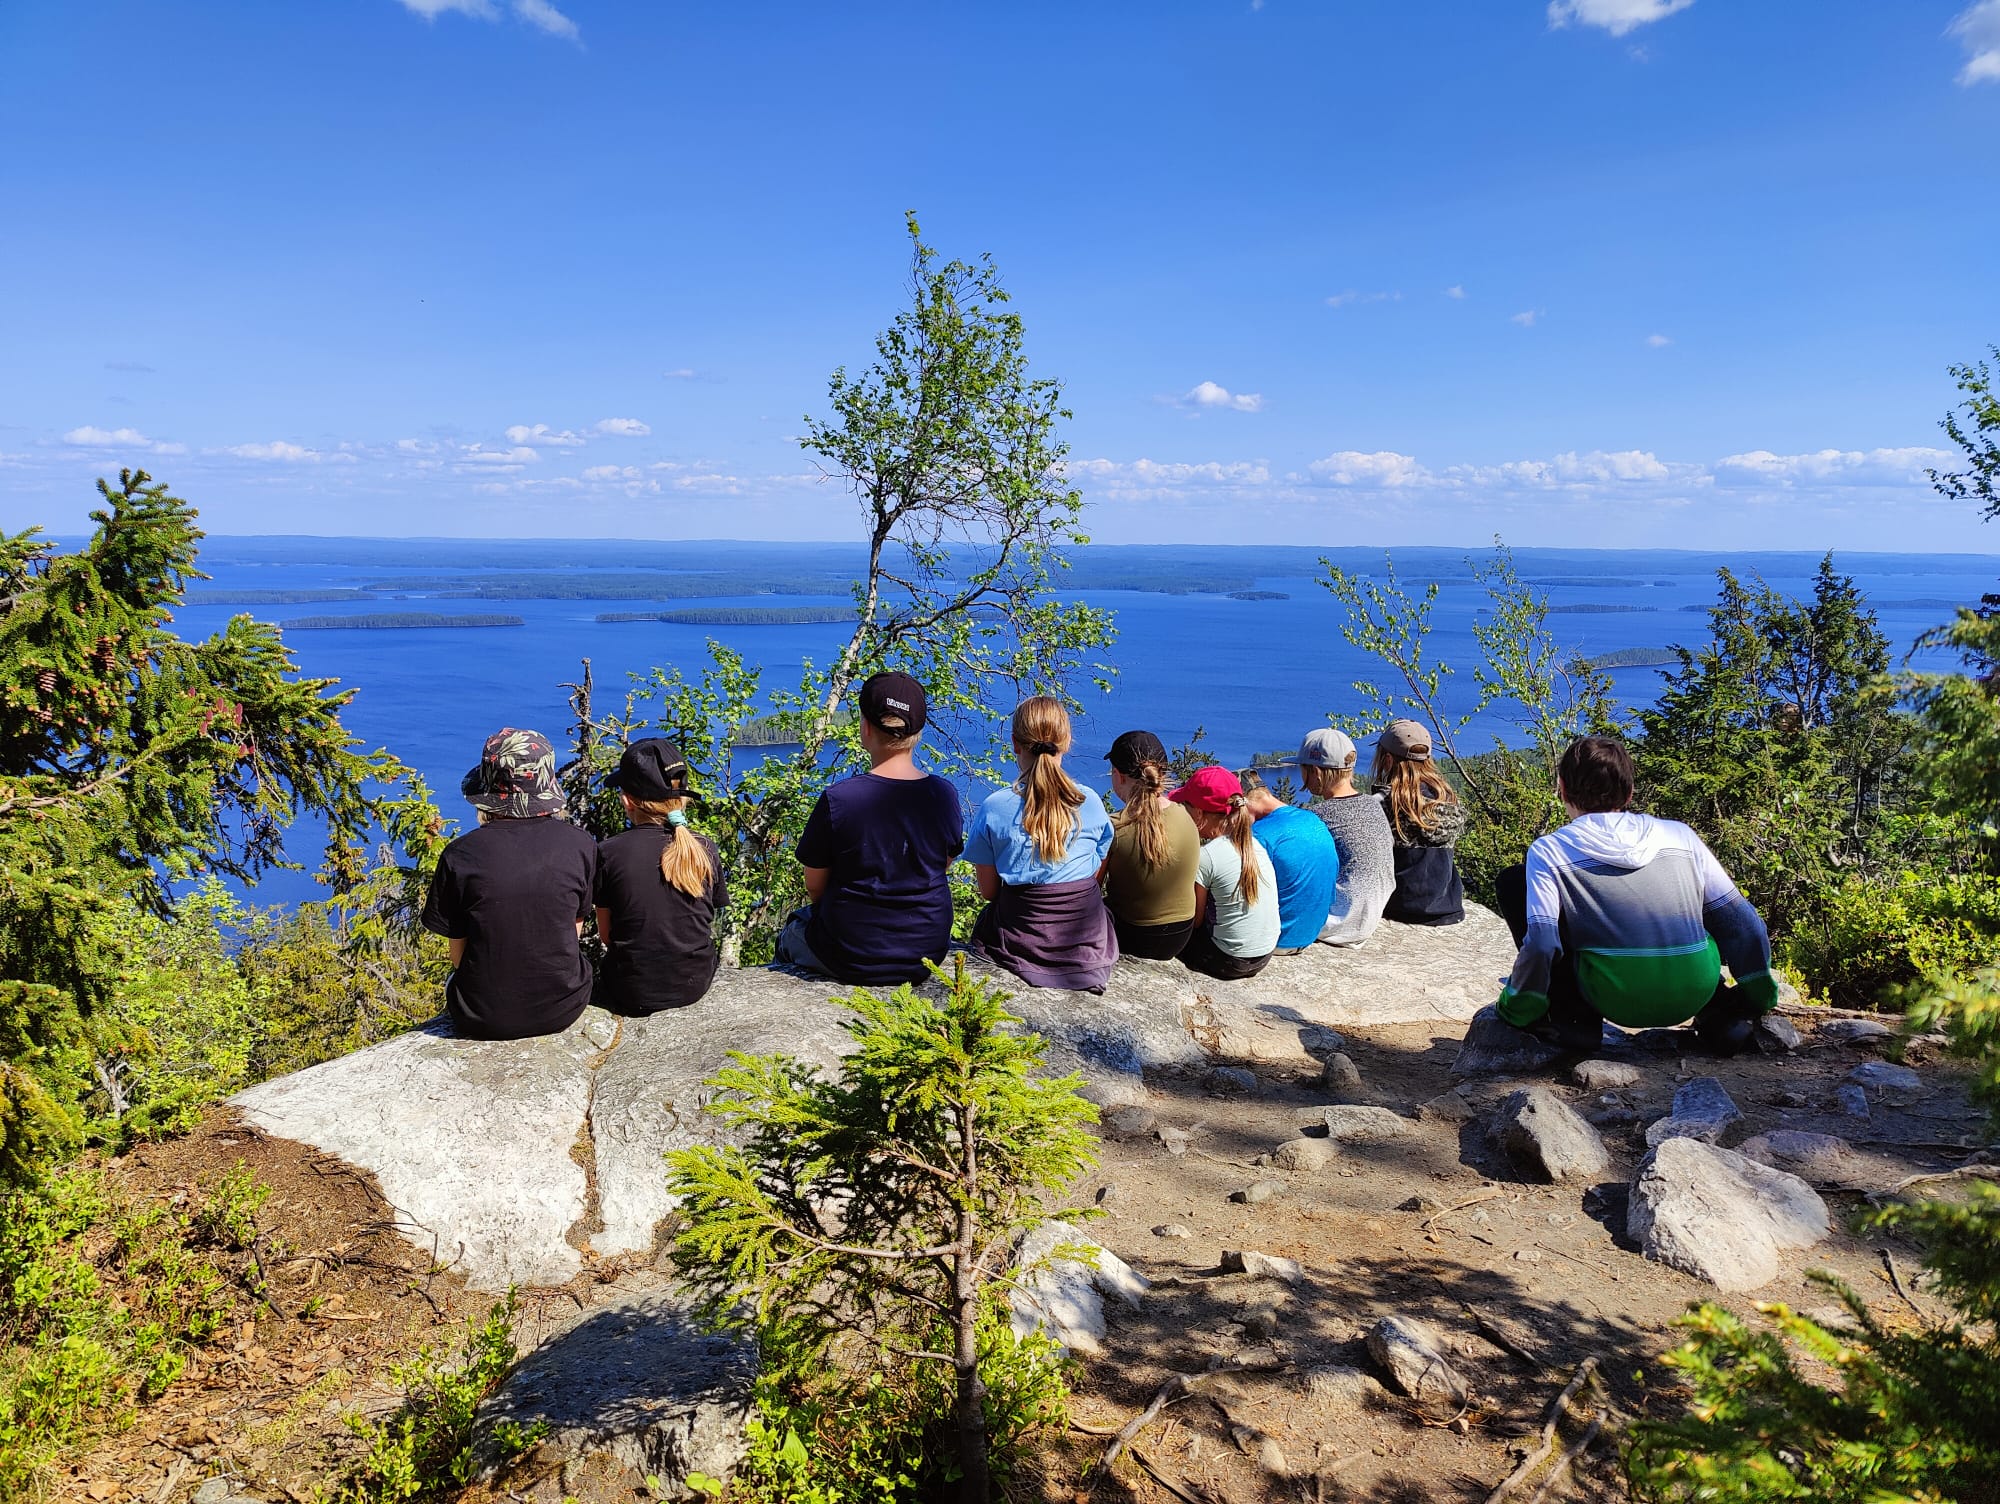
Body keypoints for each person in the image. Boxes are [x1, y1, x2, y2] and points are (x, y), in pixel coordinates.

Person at [1495, 735, 1777, 1056]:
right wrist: (1758, 997)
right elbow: (1744, 925)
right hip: (1694, 991)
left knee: (1513, 882)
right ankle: (1720, 1013)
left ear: (1561, 789)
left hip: (1614, 999)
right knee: (1694, 913)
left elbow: (1543, 944)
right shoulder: (1680, 836)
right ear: (1629, 793)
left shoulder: (1550, 851)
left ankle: (1572, 1020)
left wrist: (1517, 1005)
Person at [776, 672, 964, 986]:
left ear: (865, 727)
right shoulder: (944, 795)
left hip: (849, 953)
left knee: (793, 930)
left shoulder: (840, 799)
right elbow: (943, 864)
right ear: (918, 733)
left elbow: (815, 887)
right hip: (926, 953)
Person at [421, 727, 597, 1040]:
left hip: (480, 1016)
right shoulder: (580, 845)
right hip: (563, 1007)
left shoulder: (460, 855)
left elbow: (458, 957)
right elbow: (573, 932)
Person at [966, 697, 1118, 992]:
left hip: (1021, 940)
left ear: (1015, 743)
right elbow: (1095, 870)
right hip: (1086, 944)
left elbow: (989, 892)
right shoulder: (1089, 801)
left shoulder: (995, 807)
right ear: (1067, 742)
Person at [594, 738, 726, 1012]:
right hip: (694, 983)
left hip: (630, 989)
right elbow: (703, 921)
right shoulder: (704, 848)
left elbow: (607, 935)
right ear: (682, 798)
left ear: (627, 801)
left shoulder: (608, 852)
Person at [1168, 765, 1280, 980]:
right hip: (1264, 956)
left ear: (1198, 813)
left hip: (1227, 961)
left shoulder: (1206, 856)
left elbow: (1195, 921)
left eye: (1185, 806)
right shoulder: (1254, 845)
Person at [1287, 727, 1396, 946]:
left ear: (1316, 772)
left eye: (1302, 769)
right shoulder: (1373, 805)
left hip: (1336, 922)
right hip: (1369, 918)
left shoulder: (1319, 816)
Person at [1099, 730, 1202, 959]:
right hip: (1181, 935)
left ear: (1119, 775)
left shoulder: (1114, 826)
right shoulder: (1185, 815)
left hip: (1132, 936)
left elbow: (1091, 888)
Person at [1373, 719, 1465, 926]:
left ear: (1387, 759)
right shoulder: (1448, 799)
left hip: (1397, 906)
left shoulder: (1383, 803)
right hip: (1447, 906)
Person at [1237, 768, 1339, 955]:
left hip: (1275, 941)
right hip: (1309, 935)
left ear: (1243, 803)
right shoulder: (1312, 820)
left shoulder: (1259, 835)